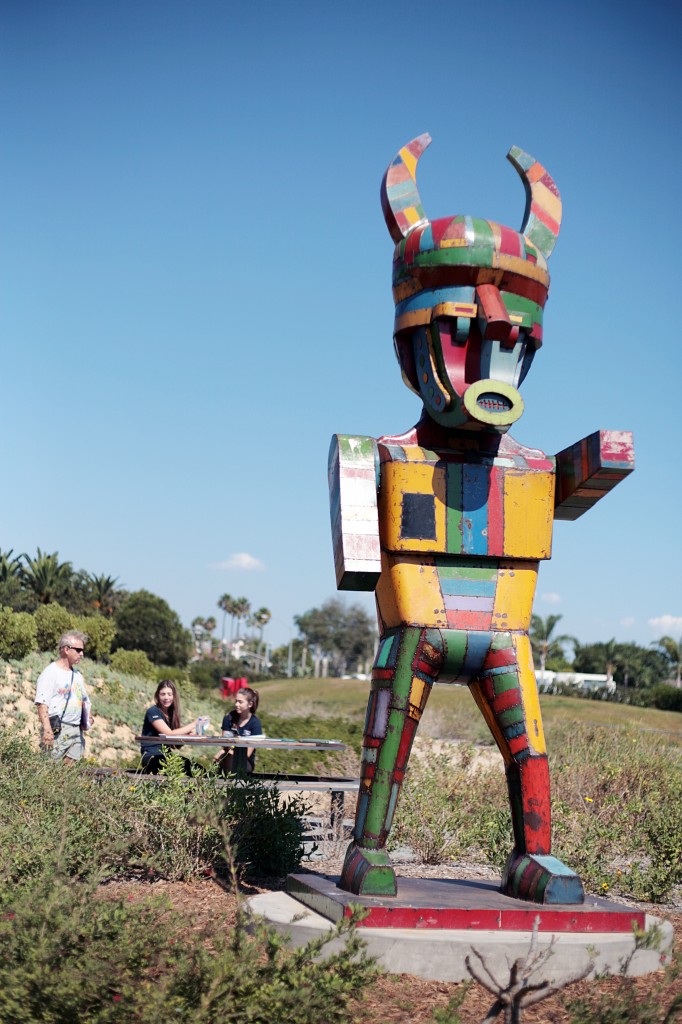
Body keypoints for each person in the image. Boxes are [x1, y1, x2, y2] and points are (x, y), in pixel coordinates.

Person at [35, 631, 93, 764]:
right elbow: (42, 703)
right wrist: (47, 730)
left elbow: (84, 699)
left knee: (68, 772)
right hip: (58, 729)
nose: (82, 654)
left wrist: (89, 716)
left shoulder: (77, 675)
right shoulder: (51, 672)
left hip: (76, 730)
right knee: (49, 770)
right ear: (66, 649)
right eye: (78, 650)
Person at [140, 680, 199, 775]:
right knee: (189, 771)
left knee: (198, 769)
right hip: (152, 757)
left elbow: (176, 745)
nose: (166, 697)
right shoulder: (153, 711)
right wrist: (194, 724)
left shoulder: (172, 714)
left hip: (167, 756)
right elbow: (169, 733)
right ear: (157, 696)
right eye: (163, 694)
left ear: (174, 696)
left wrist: (186, 735)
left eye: (169, 694)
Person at [215, 687, 262, 774]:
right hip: (227, 755)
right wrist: (225, 750)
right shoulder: (229, 717)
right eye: (236, 701)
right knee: (219, 758)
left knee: (226, 756)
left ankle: (230, 785)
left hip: (245, 762)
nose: (236, 704)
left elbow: (247, 754)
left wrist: (226, 751)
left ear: (250, 704)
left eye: (240, 702)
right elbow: (224, 744)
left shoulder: (255, 723)